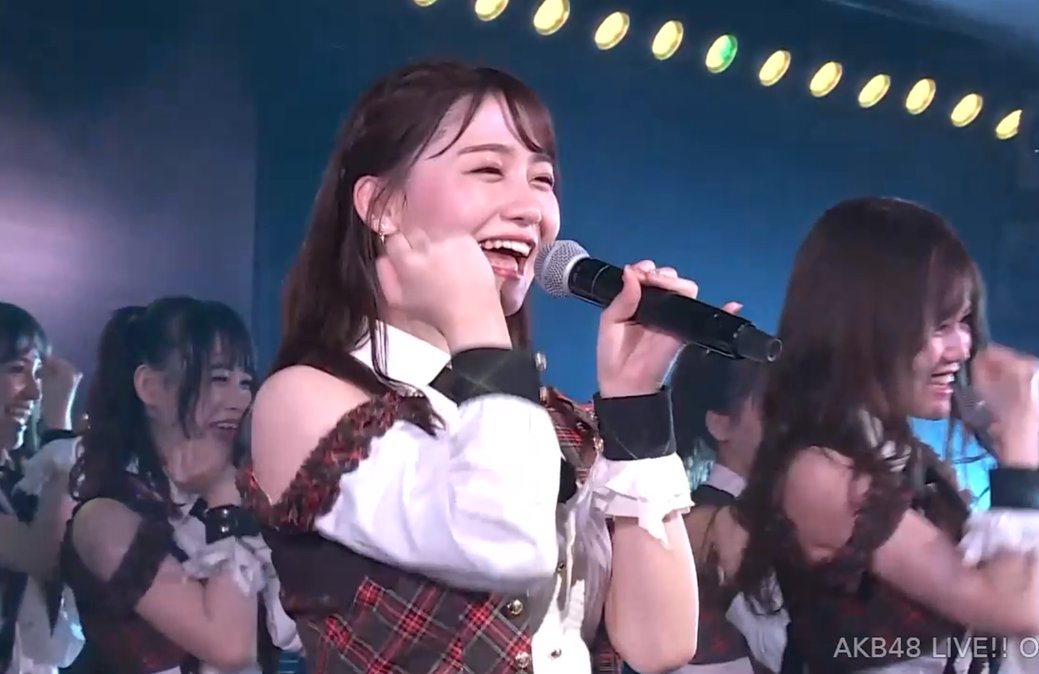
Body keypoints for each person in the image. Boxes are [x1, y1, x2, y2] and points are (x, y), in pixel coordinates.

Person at [245, 60, 707, 674]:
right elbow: (502, 541)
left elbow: (661, 644)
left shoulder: (545, 421)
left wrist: (634, 402)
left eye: (542, 179)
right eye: (488, 170)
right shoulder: (307, 400)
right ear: (381, 205)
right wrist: (479, 327)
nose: (530, 208)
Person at [711, 197, 1039, 674]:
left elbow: (1017, 613)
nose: (962, 347)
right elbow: (1013, 611)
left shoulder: (911, 464)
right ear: (866, 328)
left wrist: (1028, 466)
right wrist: (1019, 458)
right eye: (940, 326)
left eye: (964, 323)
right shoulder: (821, 474)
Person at [61, 297, 299, 674]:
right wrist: (222, 496)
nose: (240, 399)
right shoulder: (104, 519)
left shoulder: (251, 496)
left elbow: (302, 631)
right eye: (219, 378)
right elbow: (230, 648)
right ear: (150, 387)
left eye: (245, 382)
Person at [665, 345, 778, 674]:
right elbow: (786, 647)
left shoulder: (704, 514)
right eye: (772, 407)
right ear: (720, 423)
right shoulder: (716, 523)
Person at [0, 301, 84, 674]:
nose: (35, 392)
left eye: (38, 373)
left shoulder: (19, 478)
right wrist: (59, 433)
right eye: (18, 370)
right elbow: (43, 555)